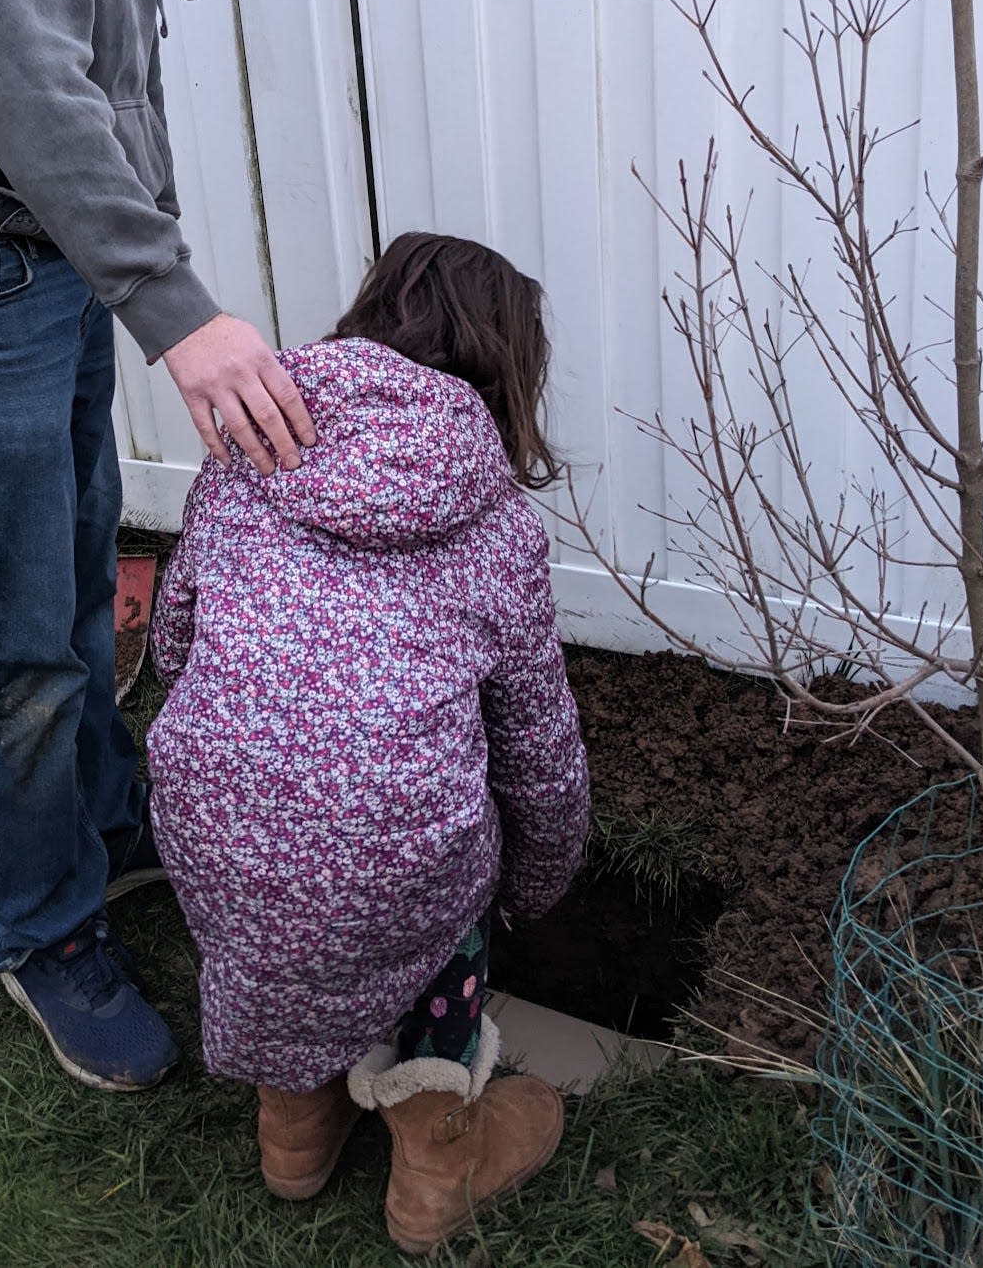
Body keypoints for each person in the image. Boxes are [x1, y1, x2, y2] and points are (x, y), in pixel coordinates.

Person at [0, 0, 314, 1091]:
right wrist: (169, 301)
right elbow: (25, 81)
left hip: (48, 253)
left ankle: (101, 821)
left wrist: (145, 231)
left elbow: (112, 73)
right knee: (18, 636)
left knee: (76, 575)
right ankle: (40, 932)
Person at [146, 232, 592, 1254]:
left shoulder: (249, 452)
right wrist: (534, 877)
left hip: (216, 833)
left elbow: (173, 640)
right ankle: (437, 1164)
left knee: (285, 878)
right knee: (443, 863)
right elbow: (535, 748)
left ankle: (292, 1130)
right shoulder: (498, 531)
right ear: (507, 369)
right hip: (391, 867)